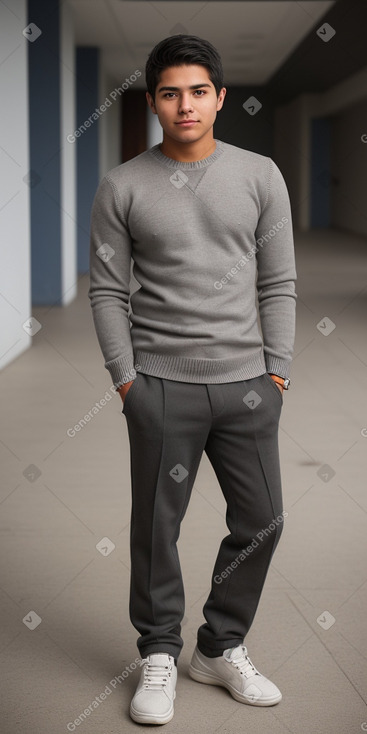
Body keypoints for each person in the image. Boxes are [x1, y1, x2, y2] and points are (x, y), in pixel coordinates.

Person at [88, 33, 297, 726]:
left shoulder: (260, 174)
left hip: (246, 386)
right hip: (159, 386)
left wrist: (277, 373)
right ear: (153, 102)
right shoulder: (122, 184)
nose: (185, 105)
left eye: (198, 91)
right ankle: (157, 650)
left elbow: (278, 282)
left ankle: (218, 646)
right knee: (156, 527)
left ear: (219, 97)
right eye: (170, 92)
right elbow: (107, 291)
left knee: (261, 521)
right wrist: (127, 384)